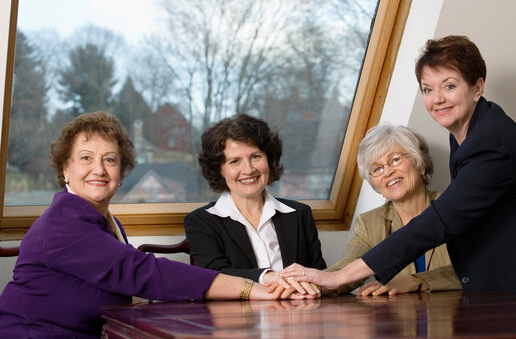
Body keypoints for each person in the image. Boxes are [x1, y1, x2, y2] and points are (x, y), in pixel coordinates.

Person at [280, 35, 516, 294]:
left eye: (449, 86)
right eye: (428, 89)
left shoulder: (489, 142)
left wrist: (340, 278)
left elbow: (439, 222)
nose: (437, 99)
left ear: (477, 88)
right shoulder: (469, 132)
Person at [0, 112, 290, 339]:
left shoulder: (105, 222)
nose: (98, 169)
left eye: (110, 160)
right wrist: (250, 288)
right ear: (65, 168)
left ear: (122, 170)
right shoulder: (63, 223)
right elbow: (143, 272)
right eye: (86, 158)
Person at [185, 114, 326, 298]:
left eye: (256, 156)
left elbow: (319, 275)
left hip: (297, 317)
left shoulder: (299, 214)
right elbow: (214, 277)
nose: (249, 169)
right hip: (237, 321)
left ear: (270, 159)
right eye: (235, 161)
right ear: (219, 170)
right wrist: (267, 277)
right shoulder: (201, 222)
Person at [325, 124, 461, 296]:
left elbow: (478, 266)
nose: (387, 172)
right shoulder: (369, 223)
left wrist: (416, 281)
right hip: (402, 320)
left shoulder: (454, 205)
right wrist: (313, 284)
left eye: (395, 159)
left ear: (421, 165)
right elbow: (347, 269)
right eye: (377, 169)